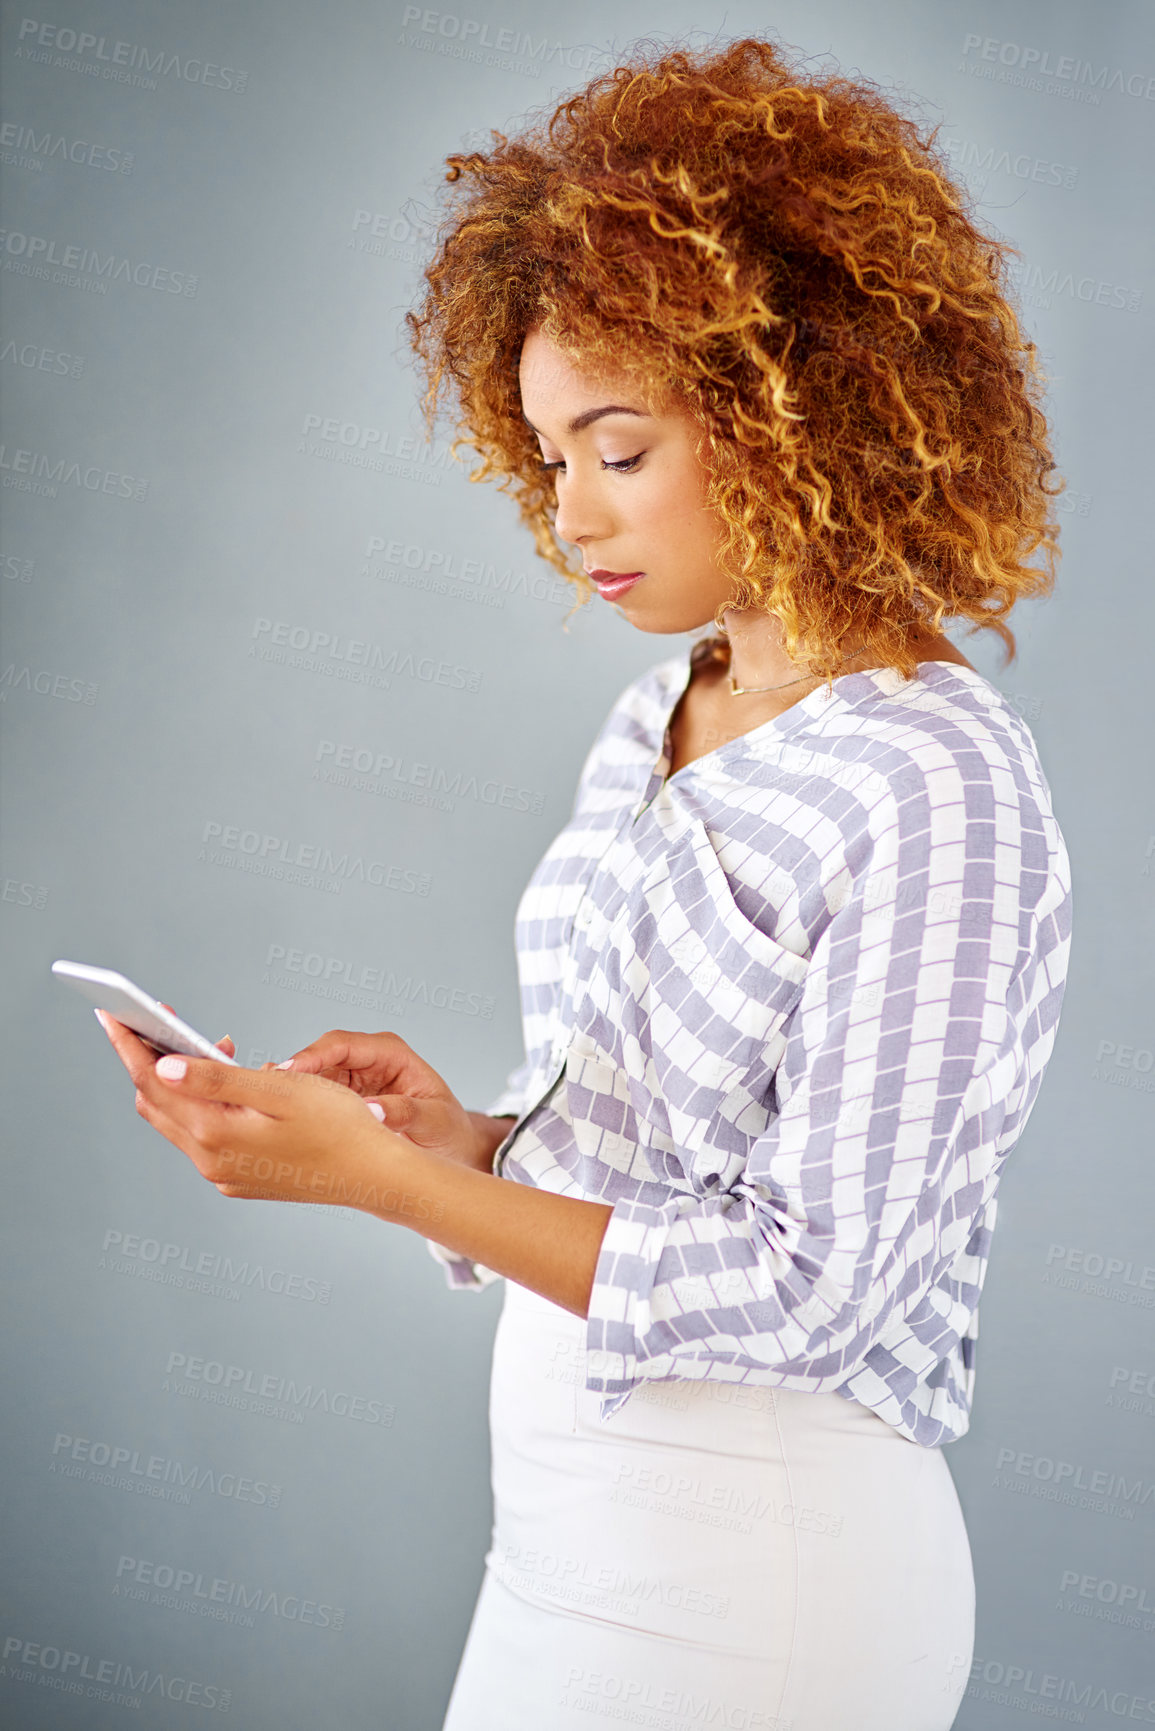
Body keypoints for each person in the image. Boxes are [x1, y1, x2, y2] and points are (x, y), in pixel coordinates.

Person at [99, 33, 1073, 1731]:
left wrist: (391, 1194)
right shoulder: (652, 717)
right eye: (548, 457)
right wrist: (466, 1140)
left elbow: (812, 1284)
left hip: (761, 1572)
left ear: (803, 408)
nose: (568, 514)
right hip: (561, 1538)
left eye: (616, 449)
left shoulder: (941, 783)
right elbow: (661, 1161)